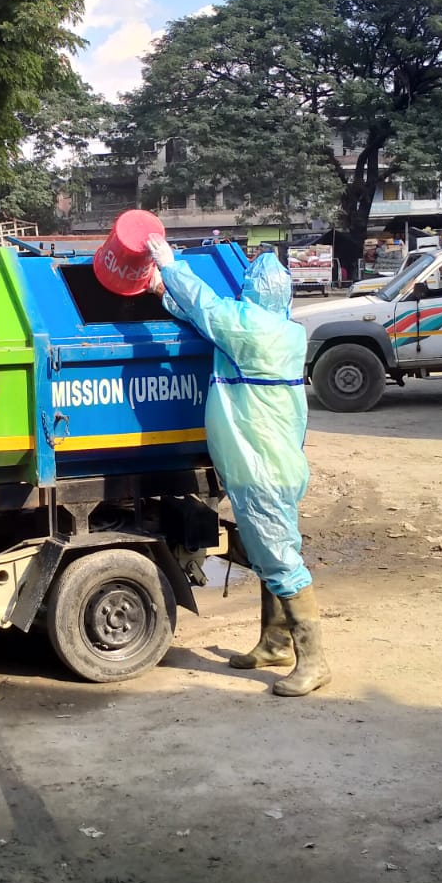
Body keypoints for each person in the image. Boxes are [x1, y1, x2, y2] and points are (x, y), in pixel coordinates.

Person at [147, 234, 331, 697]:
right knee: (269, 552)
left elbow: (209, 308)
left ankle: (314, 663)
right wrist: (164, 294)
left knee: (280, 559)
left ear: (251, 290)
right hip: (276, 462)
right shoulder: (284, 330)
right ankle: (275, 644)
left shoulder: (249, 329)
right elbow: (209, 319)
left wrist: (169, 265)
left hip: (261, 467)